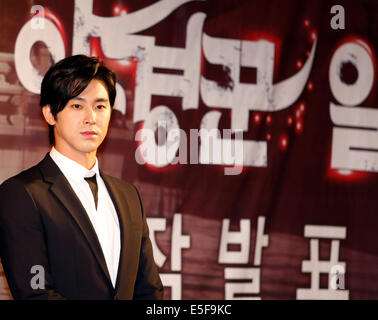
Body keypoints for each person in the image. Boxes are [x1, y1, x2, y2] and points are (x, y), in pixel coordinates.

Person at [0, 55, 164, 300]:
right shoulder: (22, 194)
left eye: (100, 106)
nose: (91, 117)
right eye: (77, 106)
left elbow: (150, 289)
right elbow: (35, 293)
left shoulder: (129, 196)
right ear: (50, 114)